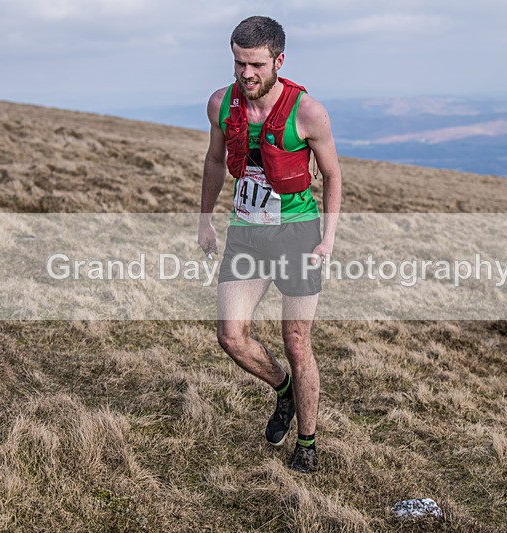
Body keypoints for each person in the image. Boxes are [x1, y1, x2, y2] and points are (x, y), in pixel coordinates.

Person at [197, 16, 342, 472]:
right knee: (230, 336)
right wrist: (205, 220)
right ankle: (283, 391)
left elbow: (334, 175)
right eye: (239, 63)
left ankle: (308, 443)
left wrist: (329, 238)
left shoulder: (308, 112)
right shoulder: (222, 104)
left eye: (256, 64)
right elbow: (215, 161)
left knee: (297, 341)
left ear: (279, 60)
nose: (246, 74)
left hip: (298, 233)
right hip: (245, 232)